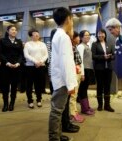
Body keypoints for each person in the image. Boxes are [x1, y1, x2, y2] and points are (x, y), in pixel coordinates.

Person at [49, 7, 78, 141]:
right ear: (68, 19)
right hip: (62, 81)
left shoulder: (58, 34)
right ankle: (54, 138)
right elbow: (66, 63)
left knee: (58, 110)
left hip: (59, 79)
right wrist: (70, 84)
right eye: (72, 19)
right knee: (57, 111)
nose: (72, 22)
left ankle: (58, 135)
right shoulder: (63, 37)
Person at [0, 25, 24, 112]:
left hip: (16, 68)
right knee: (5, 87)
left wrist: (18, 63)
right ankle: (5, 104)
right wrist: (7, 63)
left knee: (14, 87)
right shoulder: (2, 40)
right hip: (5, 67)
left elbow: (21, 54)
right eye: (12, 30)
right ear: (8, 31)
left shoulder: (19, 41)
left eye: (15, 30)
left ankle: (12, 103)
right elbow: (0, 53)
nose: (14, 31)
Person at [91, 29, 115, 112]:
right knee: (100, 86)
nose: (100, 35)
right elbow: (93, 56)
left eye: (102, 34)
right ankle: (100, 105)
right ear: (97, 35)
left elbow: (114, 55)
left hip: (108, 69)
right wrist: (103, 57)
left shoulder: (110, 44)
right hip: (99, 69)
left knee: (107, 86)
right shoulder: (94, 44)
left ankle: (107, 105)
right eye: (99, 34)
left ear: (105, 35)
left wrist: (110, 56)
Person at [24, 29, 48, 108]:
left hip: (41, 66)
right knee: (29, 84)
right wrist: (35, 61)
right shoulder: (28, 44)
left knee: (39, 84)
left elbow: (46, 55)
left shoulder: (43, 44)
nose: (37, 35)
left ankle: (39, 100)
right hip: (30, 66)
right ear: (31, 35)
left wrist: (40, 62)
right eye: (35, 34)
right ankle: (30, 101)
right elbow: (26, 55)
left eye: (38, 33)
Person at [77, 30, 95, 115]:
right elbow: (80, 61)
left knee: (84, 89)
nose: (88, 37)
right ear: (81, 37)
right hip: (84, 70)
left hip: (89, 70)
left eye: (89, 35)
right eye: (85, 35)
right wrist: (82, 74)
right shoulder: (81, 46)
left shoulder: (87, 46)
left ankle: (87, 106)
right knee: (82, 90)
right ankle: (84, 109)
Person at [70, 31, 85, 122]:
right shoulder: (70, 48)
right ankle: (73, 114)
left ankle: (74, 112)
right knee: (73, 95)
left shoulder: (75, 47)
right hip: (74, 73)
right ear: (73, 38)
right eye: (78, 37)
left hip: (77, 72)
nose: (79, 39)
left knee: (75, 95)